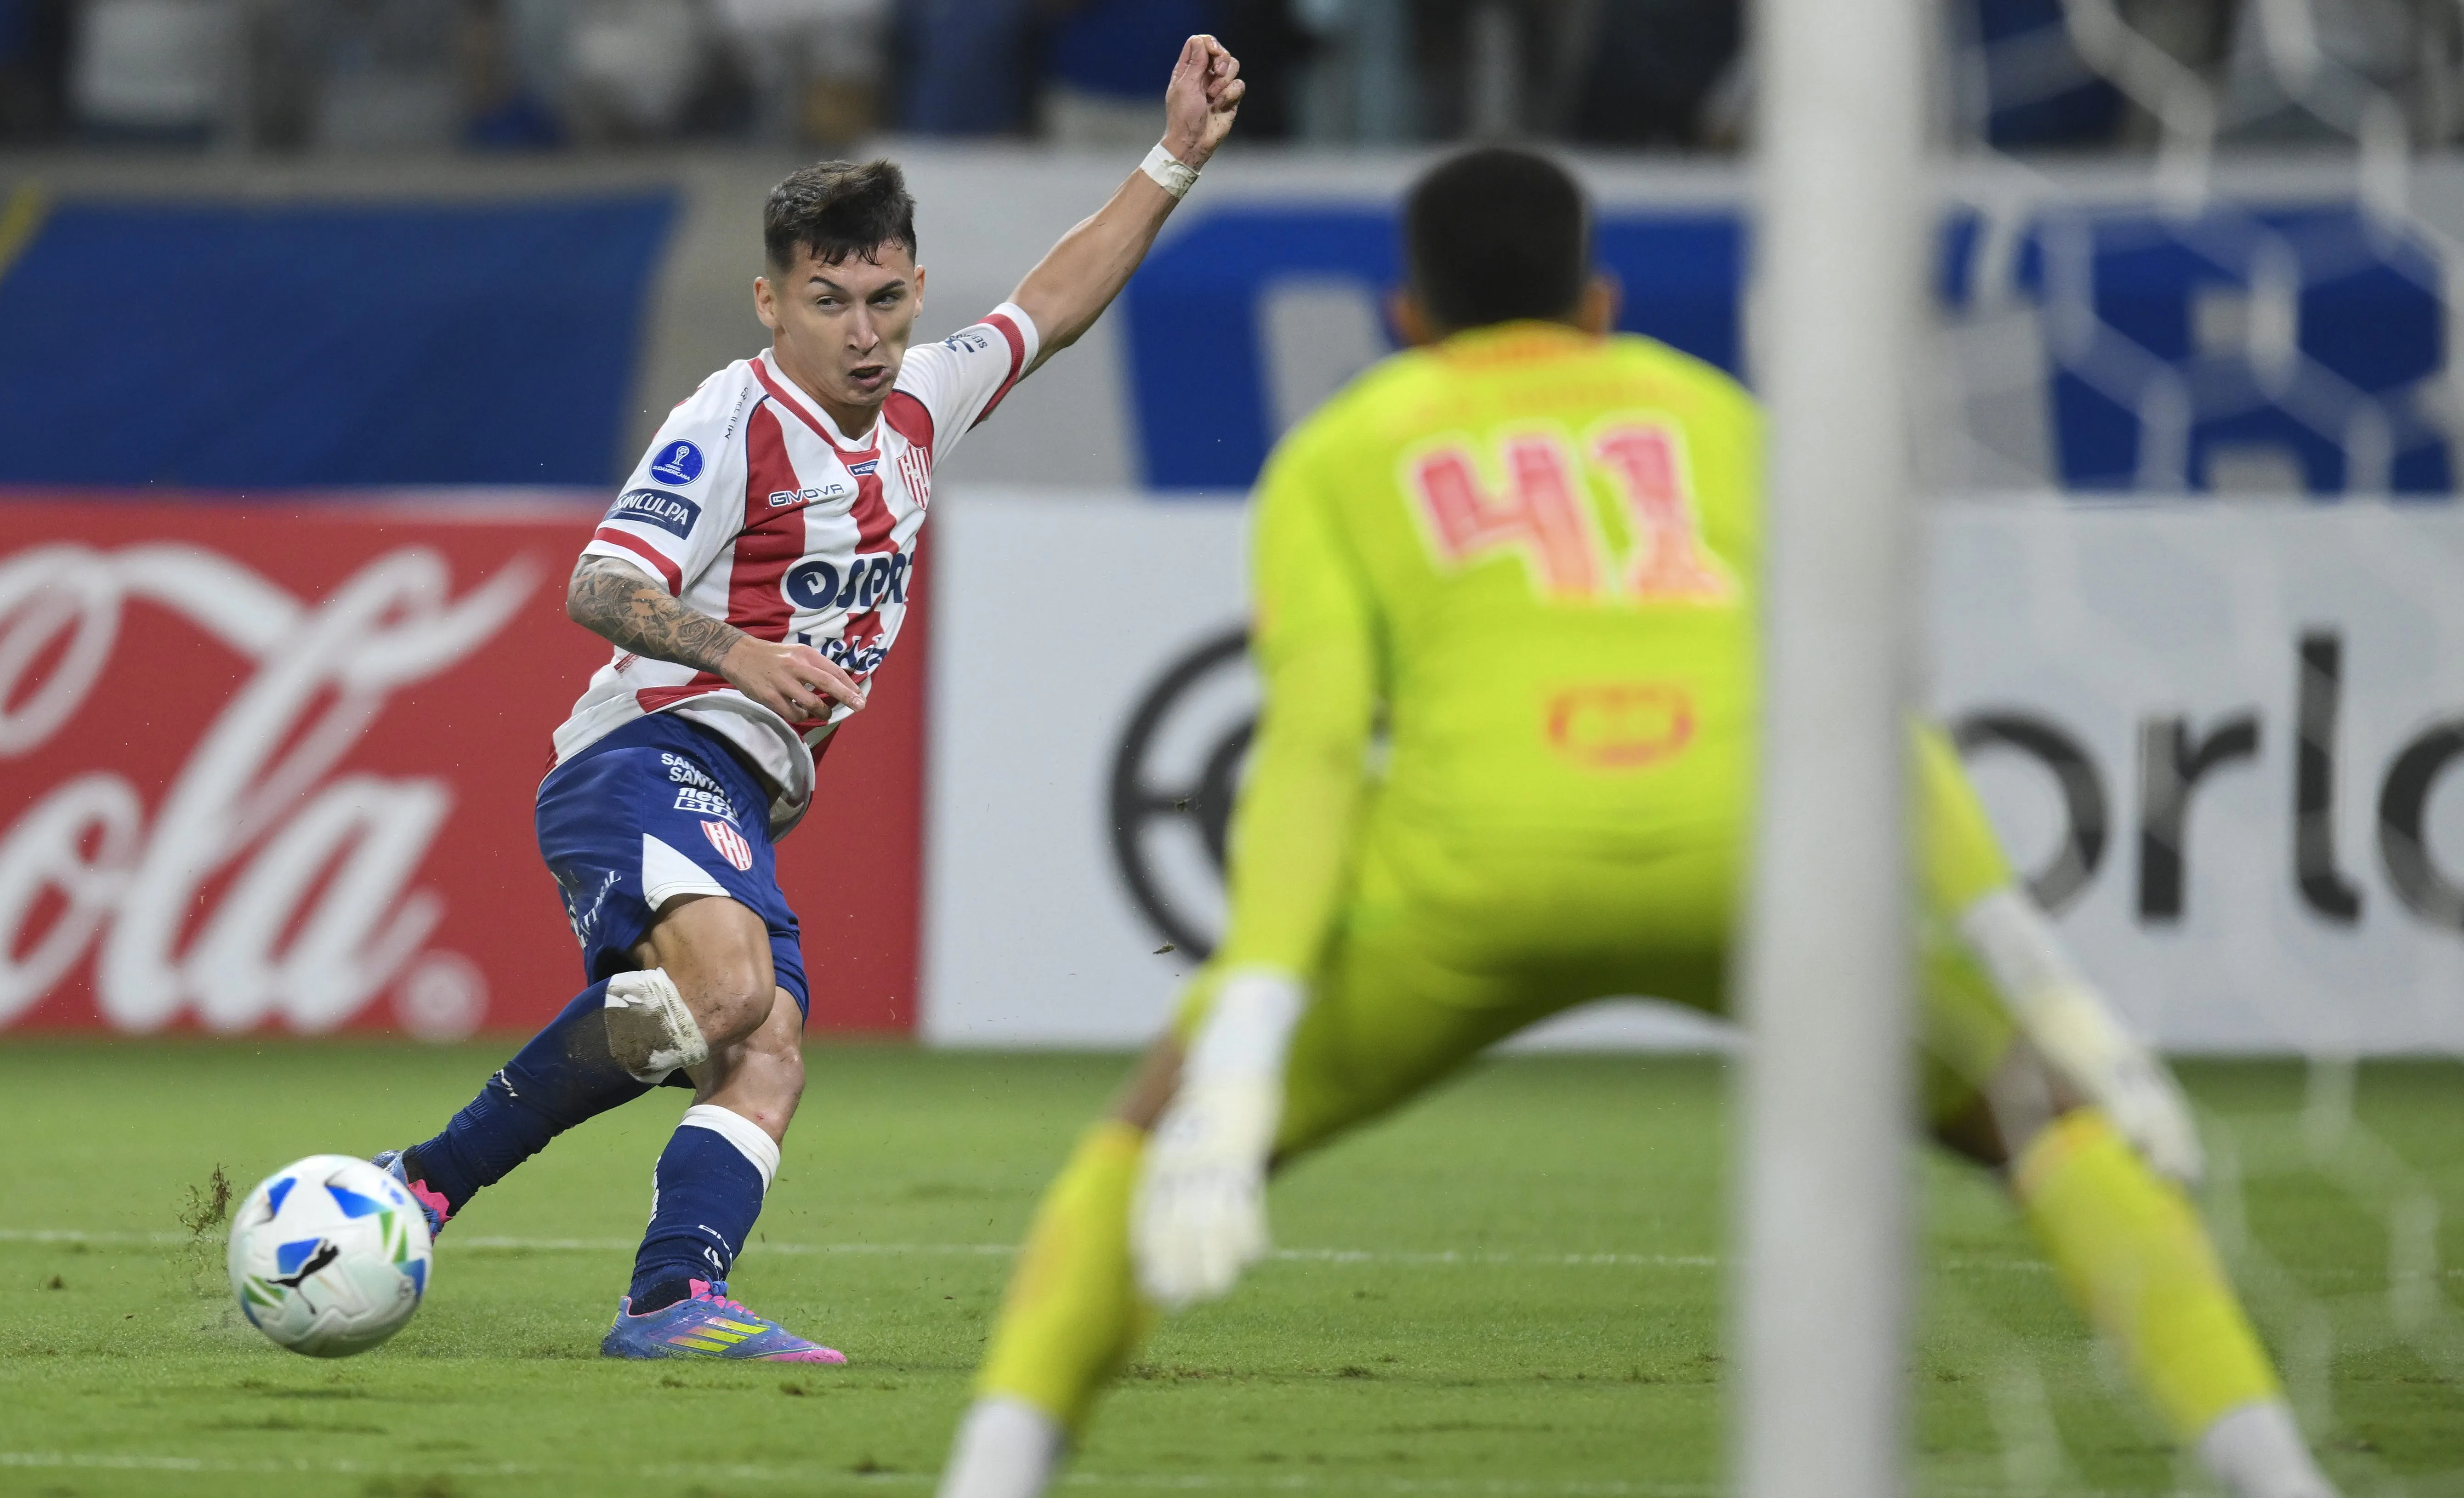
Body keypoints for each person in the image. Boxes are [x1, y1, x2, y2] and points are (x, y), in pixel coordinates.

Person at [934, 146, 2342, 1498]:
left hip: (1468, 883)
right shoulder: (1716, 416)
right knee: (2048, 1126)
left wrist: (1240, 1048)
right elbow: (1863, 709)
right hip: (1753, 867)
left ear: (1404, 317)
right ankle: (2278, 1476)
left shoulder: (1343, 452)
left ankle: (989, 1478)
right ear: (1599, 304)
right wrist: (2042, 977)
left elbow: (1307, 757)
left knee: (1139, 1137)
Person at [373, 35, 1246, 1364]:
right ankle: (421, 1185)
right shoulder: (729, 419)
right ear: (771, 302)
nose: (865, 333)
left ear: (913, 291)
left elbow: (1052, 305)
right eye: (830, 301)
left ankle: (671, 1303)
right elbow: (602, 586)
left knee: (767, 1050)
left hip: (739, 789)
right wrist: (737, 654)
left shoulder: (919, 404)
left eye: (887, 300)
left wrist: (1172, 157)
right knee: (731, 997)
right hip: (649, 750)